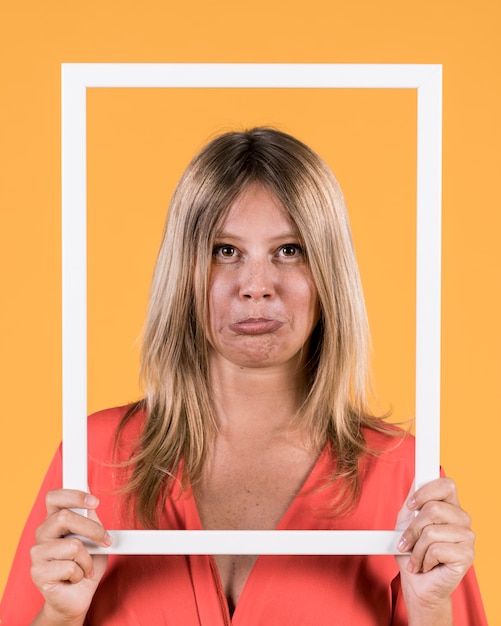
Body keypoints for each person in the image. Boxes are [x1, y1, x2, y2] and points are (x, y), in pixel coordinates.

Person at [0, 127, 487, 625]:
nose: (257, 286)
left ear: (329, 274)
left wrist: (431, 610)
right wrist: (59, 615)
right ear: (183, 273)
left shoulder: (405, 477)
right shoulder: (93, 459)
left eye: (290, 249)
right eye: (225, 250)